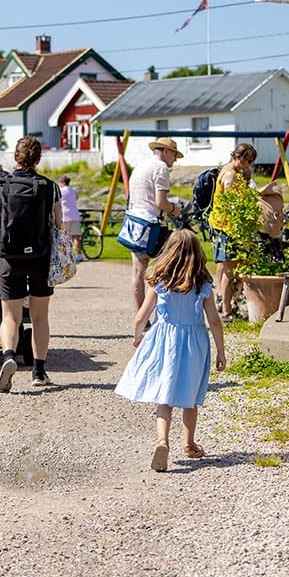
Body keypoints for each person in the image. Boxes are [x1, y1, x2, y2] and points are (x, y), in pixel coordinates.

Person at [114, 229, 227, 471]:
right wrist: (221, 351)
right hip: (194, 342)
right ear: (197, 254)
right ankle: (188, 443)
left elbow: (141, 316)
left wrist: (137, 337)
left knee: (164, 396)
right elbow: (215, 321)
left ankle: (162, 441)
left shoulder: (160, 281)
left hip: (164, 339)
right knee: (190, 397)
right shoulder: (203, 284)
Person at [0, 136, 63, 392]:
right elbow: (59, 226)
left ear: (15, 157)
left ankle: (9, 357)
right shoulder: (50, 187)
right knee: (39, 317)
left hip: (10, 257)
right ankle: (39, 371)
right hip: (41, 257)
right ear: (38, 160)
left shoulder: (1, 185)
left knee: (10, 316)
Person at [208, 143, 278, 319]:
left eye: (251, 162)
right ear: (238, 157)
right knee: (230, 270)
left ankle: (227, 303)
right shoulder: (230, 175)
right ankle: (226, 311)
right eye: (247, 161)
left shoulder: (232, 171)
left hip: (226, 226)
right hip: (228, 228)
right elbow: (234, 205)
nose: (249, 165)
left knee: (229, 267)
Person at [126, 137, 182, 309]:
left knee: (137, 272)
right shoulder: (161, 167)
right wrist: (174, 209)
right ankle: (165, 312)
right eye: (174, 154)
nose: (175, 159)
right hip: (152, 224)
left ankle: (141, 316)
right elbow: (160, 202)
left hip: (134, 222)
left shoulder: (140, 166)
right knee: (169, 266)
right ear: (166, 151)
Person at [58, 175, 81, 260]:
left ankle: (67, 255)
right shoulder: (73, 191)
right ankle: (79, 255)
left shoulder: (60, 191)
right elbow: (77, 198)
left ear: (62, 182)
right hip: (75, 215)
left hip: (65, 216)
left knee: (64, 237)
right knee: (76, 236)